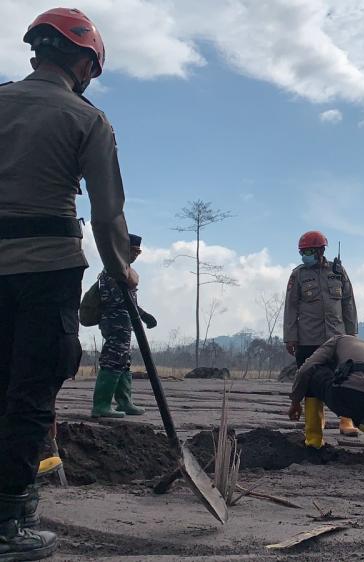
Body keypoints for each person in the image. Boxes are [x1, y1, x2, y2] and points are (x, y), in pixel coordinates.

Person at [0, 8, 135, 560]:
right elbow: (106, 218)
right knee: (30, 392)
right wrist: (121, 267)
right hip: (46, 270)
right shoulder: (88, 120)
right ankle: (9, 521)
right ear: (83, 61)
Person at [284, 230, 360, 444]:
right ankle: (314, 433)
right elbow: (290, 308)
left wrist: (351, 333)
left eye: (308, 251)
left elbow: (348, 303)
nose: (304, 255)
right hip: (308, 339)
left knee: (343, 379)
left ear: (320, 251)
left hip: (337, 337)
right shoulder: (298, 275)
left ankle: (346, 421)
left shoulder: (338, 272)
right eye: (302, 252)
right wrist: (290, 337)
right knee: (310, 385)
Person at [287, 335, 364, 463]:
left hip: (348, 394)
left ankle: (314, 442)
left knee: (314, 372)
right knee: (363, 411)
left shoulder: (337, 340)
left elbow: (306, 368)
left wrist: (295, 401)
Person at [91, 233, 156, 418]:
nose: (136, 255)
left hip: (124, 322)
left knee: (123, 361)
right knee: (112, 361)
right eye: (133, 251)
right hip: (114, 322)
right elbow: (120, 300)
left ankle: (124, 402)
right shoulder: (114, 271)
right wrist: (141, 315)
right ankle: (101, 405)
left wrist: (143, 316)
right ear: (123, 249)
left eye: (138, 252)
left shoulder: (124, 271)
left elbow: (129, 301)